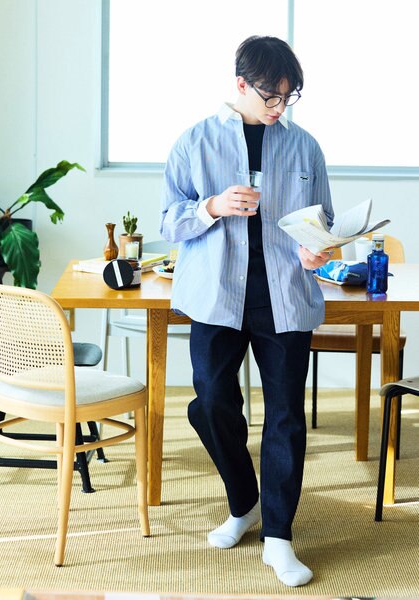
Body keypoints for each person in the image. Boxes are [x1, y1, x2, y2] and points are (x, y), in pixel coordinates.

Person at [160, 35, 334, 587]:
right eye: (270, 95)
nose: (279, 106)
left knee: (285, 416)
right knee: (211, 403)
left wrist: (319, 249)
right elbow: (168, 221)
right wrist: (212, 207)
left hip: (284, 295)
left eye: (288, 97)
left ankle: (279, 537)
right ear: (241, 84)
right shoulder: (194, 142)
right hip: (216, 296)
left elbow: (323, 222)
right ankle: (244, 502)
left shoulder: (304, 147)